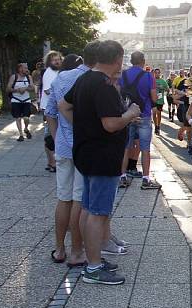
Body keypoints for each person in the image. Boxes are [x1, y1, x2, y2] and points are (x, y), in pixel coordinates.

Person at [60, 40, 141, 285]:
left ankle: (91, 258)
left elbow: (63, 105)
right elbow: (110, 124)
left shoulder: (84, 78)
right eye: (122, 59)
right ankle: (94, 269)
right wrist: (130, 114)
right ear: (117, 59)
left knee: (87, 208)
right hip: (102, 156)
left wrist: (85, 126)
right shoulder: (104, 85)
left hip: (85, 153)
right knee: (98, 212)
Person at [47, 43, 99, 267]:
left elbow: (50, 112)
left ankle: (60, 249)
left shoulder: (61, 77)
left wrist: (59, 138)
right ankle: (77, 252)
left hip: (62, 147)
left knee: (63, 198)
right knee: (79, 200)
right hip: (83, 148)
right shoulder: (93, 79)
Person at [118, 51, 160, 190]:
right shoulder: (149, 76)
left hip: (127, 115)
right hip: (144, 114)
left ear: (131, 61)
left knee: (125, 148)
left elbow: (118, 94)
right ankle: (146, 179)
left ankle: (122, 177)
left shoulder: (123, 75)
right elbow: (154, 98)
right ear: (143, 61)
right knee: (145, 149)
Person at [41, 51, 63, 172]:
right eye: (54, 60)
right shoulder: (49, 73)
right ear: (49, 62)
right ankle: (52, 162)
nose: (57, 61)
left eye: (58, 59)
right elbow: (48, 91)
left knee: (50, 135)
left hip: (54, 107)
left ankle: (50, 162)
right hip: (50, 108)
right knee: (50, 135)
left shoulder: (57, 72)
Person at [7, 62, 34, 142]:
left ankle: (26, 128)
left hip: (26, 100)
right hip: (16, 100)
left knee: (26, 117)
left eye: (27, 67)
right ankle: (21, 135)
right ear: (20, 69)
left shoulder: (29, 77)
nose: (27, 69)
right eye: (25, 67)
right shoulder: (13, 77)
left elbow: (32, 88)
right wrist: (17, 90)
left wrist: (25, 88)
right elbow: (8, 89)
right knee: (18, 118)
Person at [152, 68, 168, 135]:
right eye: (156, 73)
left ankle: (158, 126)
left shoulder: (163, 81)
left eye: (158, 73)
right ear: (154, 73)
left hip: (160, 100)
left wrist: (163, 88)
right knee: (154, 112)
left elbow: (167, 89)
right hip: (153, 99)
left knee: (158, 113)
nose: (157, 74)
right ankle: (156, 126)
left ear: (160, 73)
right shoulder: (152, 80)